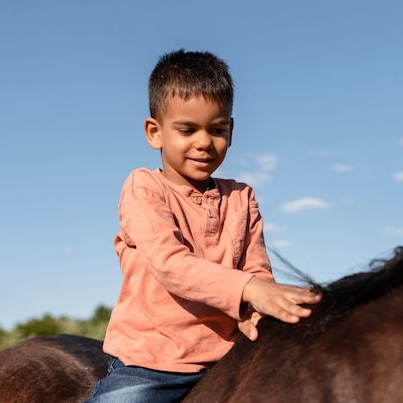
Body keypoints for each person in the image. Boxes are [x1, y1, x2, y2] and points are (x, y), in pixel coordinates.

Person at [85, 49, 321, 402]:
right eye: (187, 129)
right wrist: (251, 290)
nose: (204, 142)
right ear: (155, 132)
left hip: (230, 357)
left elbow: (256, 268)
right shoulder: (144, 187)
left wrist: (260, 310)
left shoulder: (242, 197)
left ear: (231, 129)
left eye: (217, 129)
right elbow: (170, 264)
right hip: (152, 362)